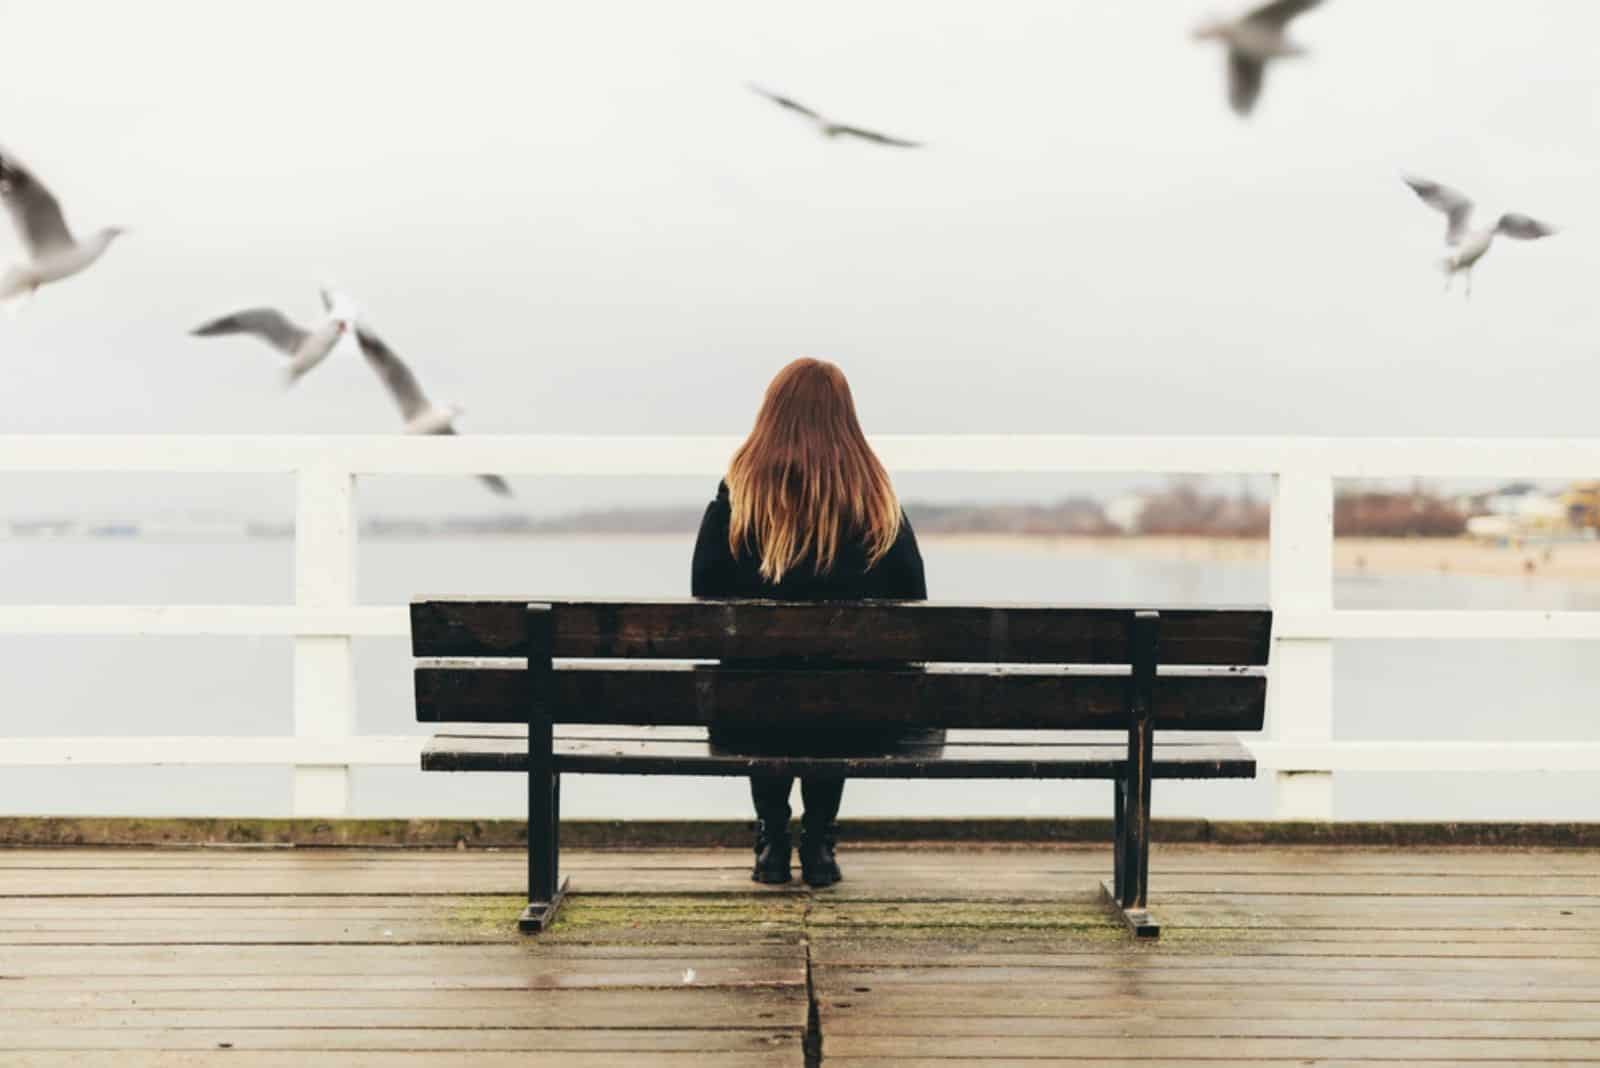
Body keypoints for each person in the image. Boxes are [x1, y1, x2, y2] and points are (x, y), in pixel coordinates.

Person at [691, 357, 928, 887]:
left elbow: (704, 591)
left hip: (745, 712)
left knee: (763, 692)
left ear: (770, 412)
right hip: (853, 714)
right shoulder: (874, 495)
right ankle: (819, 842)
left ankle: (773, 839)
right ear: (847, 418)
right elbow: (914, 601)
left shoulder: (740, 491)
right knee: (835, 695)